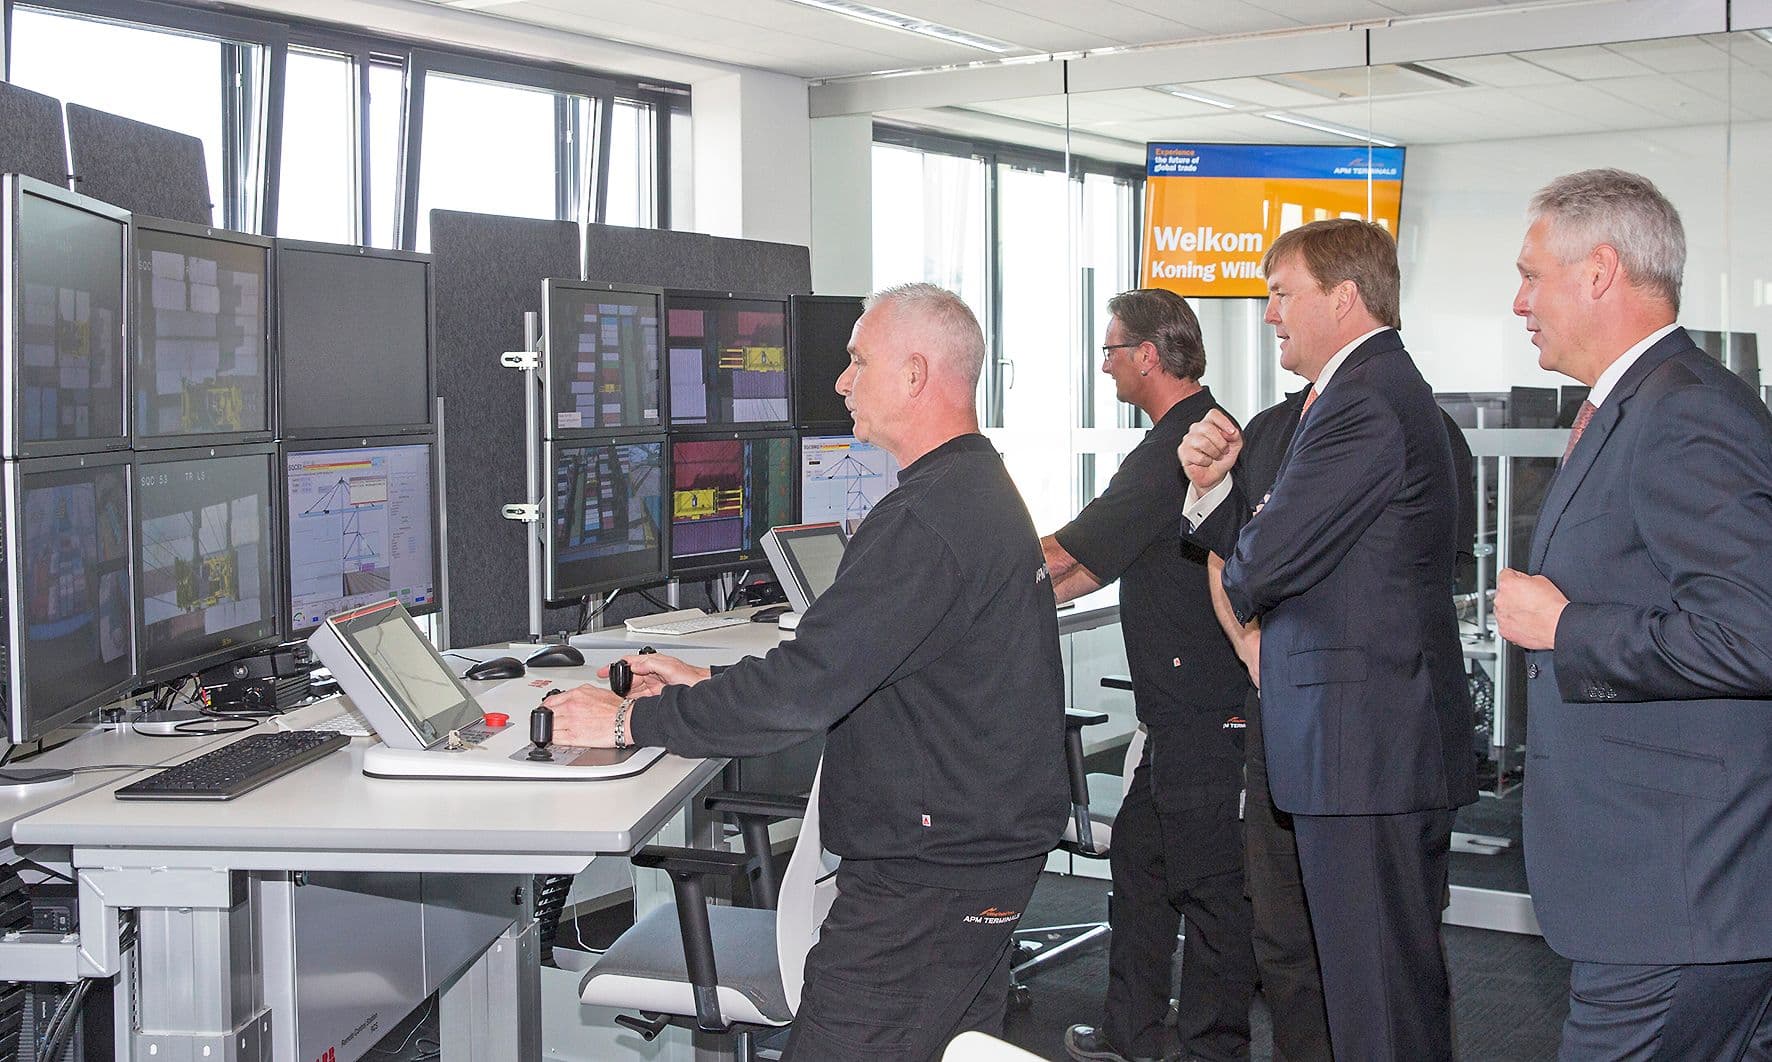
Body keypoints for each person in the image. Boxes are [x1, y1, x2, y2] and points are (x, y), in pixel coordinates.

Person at [545, 282, 1068, 1062]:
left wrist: (626, 720)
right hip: (974, 850)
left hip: (931, 874)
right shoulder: (972, 490)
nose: (841, 380)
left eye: (858, 360)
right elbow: (851, 662)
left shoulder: (927, 518)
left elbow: (805, 688)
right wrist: (701, 683)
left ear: (916, 374)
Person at [1178, 218, 1476, 1060]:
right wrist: (1217, 496)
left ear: (1343, 299)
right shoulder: (1361, 395)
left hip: (1367, 752)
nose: (1270, 313)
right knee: (1367, 990)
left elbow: (1259, 566)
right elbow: (1279, 544)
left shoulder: (1364, 401)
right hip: (1362, 746)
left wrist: (1253, 530)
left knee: (1380, 1002)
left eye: (1282, 294)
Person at [1493, 168, 1772, 1060]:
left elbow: (1755, 633)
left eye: (1533, 275)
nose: (1519, 300)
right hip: (1668, 897)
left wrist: (1563, 628)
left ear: (1600, 271)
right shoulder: (1638, 404)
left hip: (1677, 902)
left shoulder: (1686, 411)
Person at [1040, 289, 1254, 1062]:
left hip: (1205, 713)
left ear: (1148, 358)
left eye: (1110, 351)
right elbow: (1079, 569)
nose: (1105, 366)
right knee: (1140, 869)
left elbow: (1071, 558)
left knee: (1212, 899)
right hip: (1177, 713)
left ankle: (1210, 1049)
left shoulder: (1181, 444)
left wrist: (960, 571)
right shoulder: (1205, 428)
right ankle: (1129, 1034)